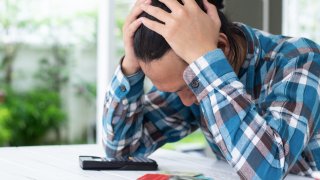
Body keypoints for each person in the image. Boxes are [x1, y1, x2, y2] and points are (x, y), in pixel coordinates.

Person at [102, 0, 320, 179]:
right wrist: (130, 68)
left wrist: (206, 62)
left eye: (188, 86)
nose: (185, 101)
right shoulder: (184, 83)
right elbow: (123, 153)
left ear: (222, 48)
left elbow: (267, 170)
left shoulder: (301, 60)